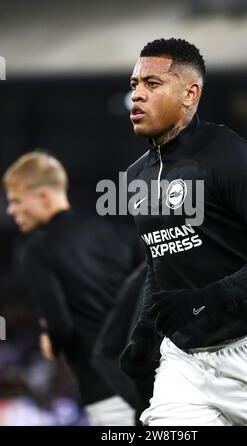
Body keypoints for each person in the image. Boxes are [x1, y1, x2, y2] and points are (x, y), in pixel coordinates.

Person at [120, 38, 247, 426]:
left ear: (190, 94)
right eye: (134, 84)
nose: (136, 95)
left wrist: (212, 297)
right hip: (185, 363)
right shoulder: (137, 176)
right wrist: (146, 331)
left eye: (152, 84)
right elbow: (160, 261)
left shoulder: (227, 154)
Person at [3, 151, 141, 426]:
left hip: (102, 388)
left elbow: (61, 327)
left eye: (17, 201)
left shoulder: (37, 251)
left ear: (43, 196)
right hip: (147, 380)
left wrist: (50, 338)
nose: (11, 210)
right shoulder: (117, 234)